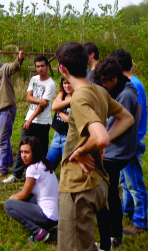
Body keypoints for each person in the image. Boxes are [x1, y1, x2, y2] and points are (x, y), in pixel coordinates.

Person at [55, 42, 134, 251]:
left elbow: (101, 138)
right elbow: (127, 118)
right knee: (85, 242)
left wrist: (81, 150)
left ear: (62, 68)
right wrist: (99, 139)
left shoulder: (80, 98)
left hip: (78, 185)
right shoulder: (98, 90)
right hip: (96, 181)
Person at [92, 58, 139, 251]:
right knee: (110, 195)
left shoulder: (127, 94)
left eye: (106, 81)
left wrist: (103, 139)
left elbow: (121, 122)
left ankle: (107, 243)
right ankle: (114, 237)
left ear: (115, 77)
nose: (104, 85)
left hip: (115, 152)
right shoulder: (119, 90)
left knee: (104, 196)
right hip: (113, 149)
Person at [110, 48, 148, 235]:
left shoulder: (133, 85)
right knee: (126, 181)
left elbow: (136, 114)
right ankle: (128, 212)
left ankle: (141, 223)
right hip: (128, 140)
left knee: (134, 183)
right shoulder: (131, 83)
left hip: (132, 140)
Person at [4, 56, 56, 184]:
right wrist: (38, 101)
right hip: (29, 119)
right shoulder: (34, 79)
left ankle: (40, 175)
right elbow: (28, 97)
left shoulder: (51, 84)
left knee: (41, 150)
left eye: (42, 66)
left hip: (42, 122)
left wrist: (30, 120)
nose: (40, 69)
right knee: (23, 147)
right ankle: (16, 174)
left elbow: (42, 106)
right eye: (37, 66)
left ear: (47, 66)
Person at [4, 136, 59, 242]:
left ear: (35, 152)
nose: (23, 156)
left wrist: (12, 200)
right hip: (56, 216)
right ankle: (50, 228)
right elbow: (28, 194)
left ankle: (39, 232)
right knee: (28, 198)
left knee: (8, 205)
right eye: (21, 152)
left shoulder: (33, 169)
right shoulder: (44, 163)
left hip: (48, 217)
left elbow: (23, 194)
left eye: (27, 152)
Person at [0, 47, 26, 177]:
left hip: (7, 107)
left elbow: (14, 67)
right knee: (2, 136)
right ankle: (10, 161)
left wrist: (19, 59)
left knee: (3, 137)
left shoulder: (5, 68)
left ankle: (3, 168)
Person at [46, 77, 73, 171]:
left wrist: (60, 112)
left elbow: (71, 120)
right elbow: (54, 107)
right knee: (47, 165)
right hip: (57, 136)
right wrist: (69, 100)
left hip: (69, 138)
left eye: (69, 83)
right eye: (65, 83)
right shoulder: (62, 94)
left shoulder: (78, 99)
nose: (67, 86)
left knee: (67, 168)